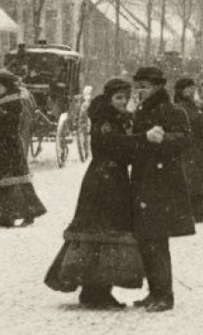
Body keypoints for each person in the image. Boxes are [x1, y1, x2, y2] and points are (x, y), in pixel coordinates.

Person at [44, 78, 145, 309]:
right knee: (102, 231)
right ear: (109, 98)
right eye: (119, 98)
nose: (123, 102)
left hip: (111, 178)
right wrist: (137, 141)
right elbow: (111, 145)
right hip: (104, 181)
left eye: (125, 98)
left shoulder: (114, 117)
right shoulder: (104, 119)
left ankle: (97, 288)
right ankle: (96, 290)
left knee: (104, 231)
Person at [127, 66, 196, 311]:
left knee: (157, 240)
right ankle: (154, 291)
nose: (140, 91)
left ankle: (165, 295)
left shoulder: (172, 111)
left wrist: (163, 139)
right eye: (138, 86)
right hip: (144, 180)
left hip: (162, 182)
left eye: (144, 86)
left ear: (157, 86)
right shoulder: (139, 111)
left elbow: (186, 140)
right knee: (146, 238)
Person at [0, 71, 47, 227]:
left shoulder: (14, 101)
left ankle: (29, 212)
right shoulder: (2, 100)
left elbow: (11, 121)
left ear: (6, 86)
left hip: (9, 144)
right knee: (1, 181)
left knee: (15, 180)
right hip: (1, 145)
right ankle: (5, 216)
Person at [172, 77, 203, 222]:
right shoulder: (180, 105)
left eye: (192, 87)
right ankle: (197, 210)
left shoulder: (191, 104)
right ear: (181, 90)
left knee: (199, 178)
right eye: (187, 88)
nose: (191, 90)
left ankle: (201, 209)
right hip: (189, 147)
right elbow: (191, 122)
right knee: (194, 179)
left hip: (197, 146)